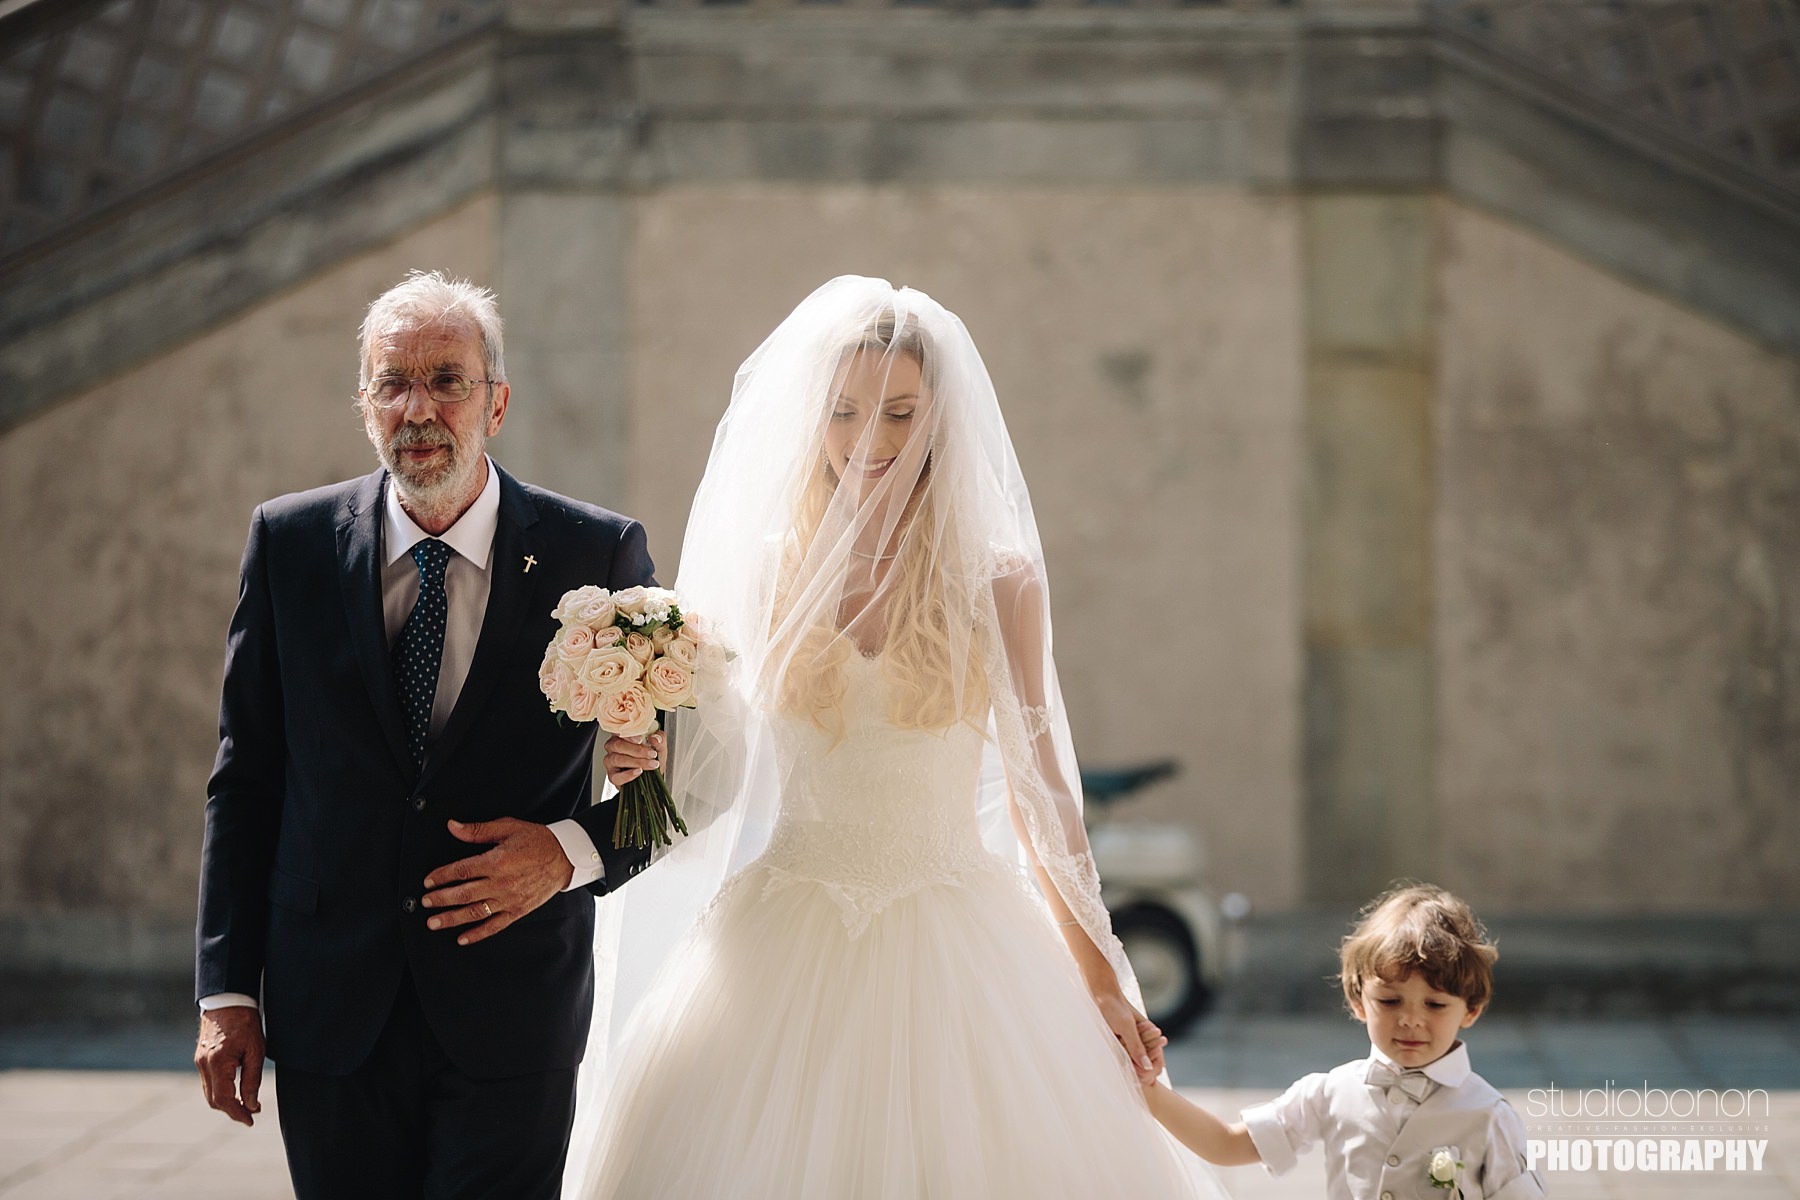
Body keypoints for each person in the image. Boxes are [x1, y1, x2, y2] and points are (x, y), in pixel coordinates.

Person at [565, 276, 1228, 1198]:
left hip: (961, 934)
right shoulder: (767, 571)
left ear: (939, 420)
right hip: (784, 931)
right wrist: (643, 756)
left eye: (899, 412)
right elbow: (709, 769)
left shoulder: (998, 579)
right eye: (844, 411)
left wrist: (1104, 978)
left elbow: (1041, 795)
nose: (868, 438)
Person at [193, 270, 662, 1199]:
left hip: (513, 1006)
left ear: (497, 402)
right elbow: (245, 779)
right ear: (364, 404)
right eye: (393, 384)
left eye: (447, 381)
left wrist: (566, 854)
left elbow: (667, 791)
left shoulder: (597, 556)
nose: (419, 409)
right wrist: (227, 992)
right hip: (329, 1007)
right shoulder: (288, 544)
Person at [1141, 883, 1548, 1200]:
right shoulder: (1330, 1092)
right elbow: (1227, 1145)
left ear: (1471, 1010)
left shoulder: (1489, 1116)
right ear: (1358, 1001)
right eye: (1389, 1001)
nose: (1410, 1019)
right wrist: (1150, 1091)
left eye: (1435, 1005)